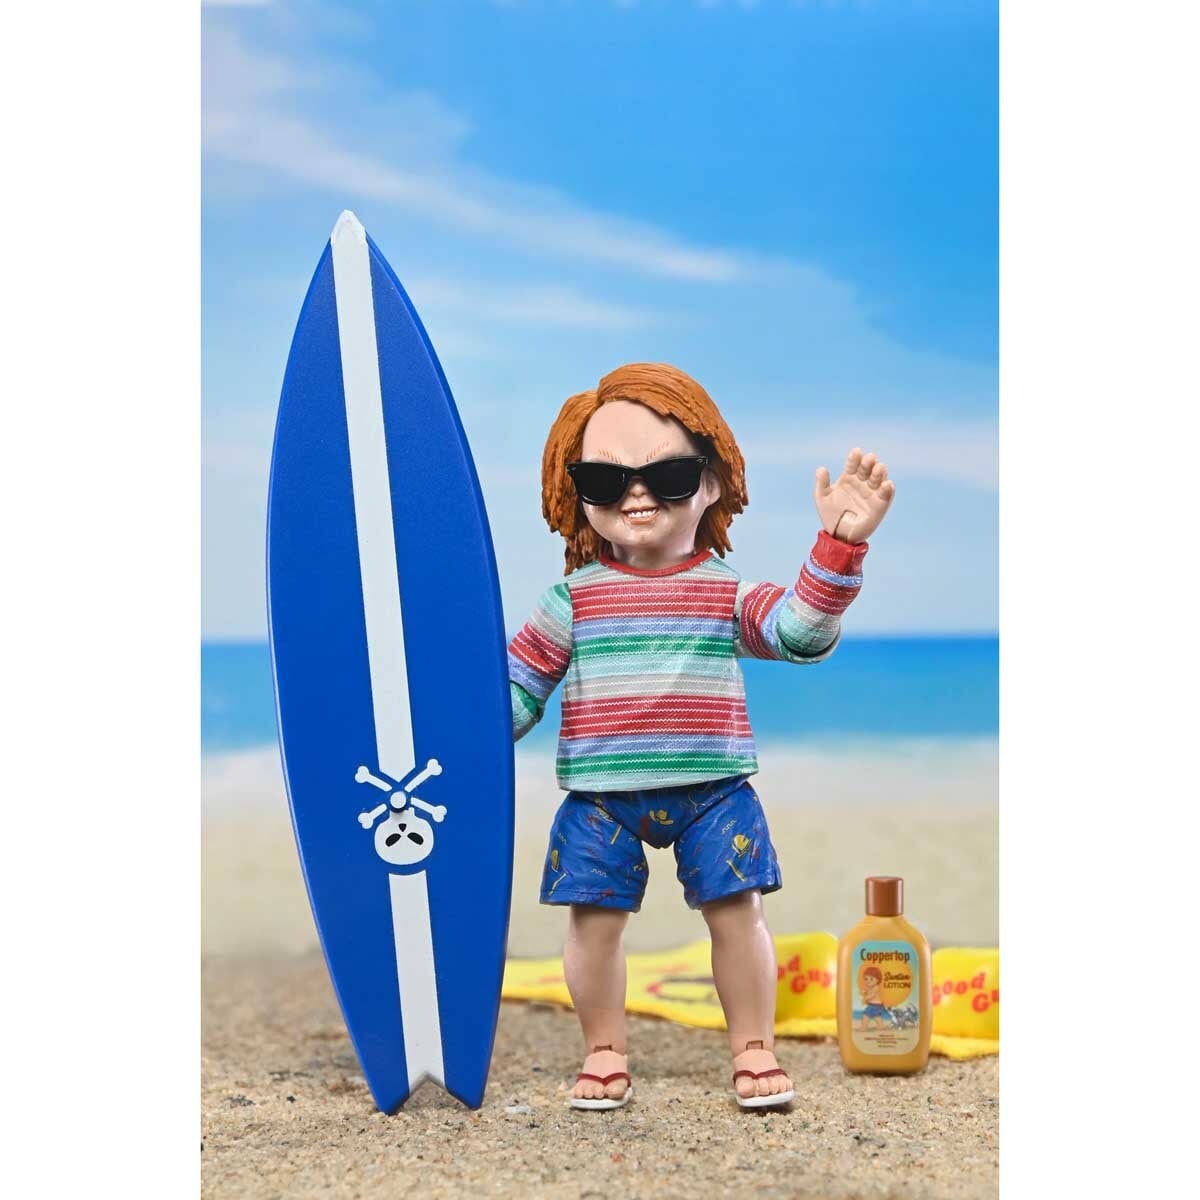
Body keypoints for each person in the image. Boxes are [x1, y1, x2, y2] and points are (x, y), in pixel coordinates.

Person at [507, 363, 894, 1109]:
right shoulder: (570, 602)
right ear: (575, 492)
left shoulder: (726, 591)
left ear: (713, 483)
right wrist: (447, 728)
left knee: (738, 913)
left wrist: (838, 546)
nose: (637, 495)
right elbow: (517, 694)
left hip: (714, 792)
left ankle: (753, 1046)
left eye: (669, 476)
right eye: (605, 481)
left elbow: (799, 634)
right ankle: (603, 1050)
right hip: (602, 797)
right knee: (593, 924)